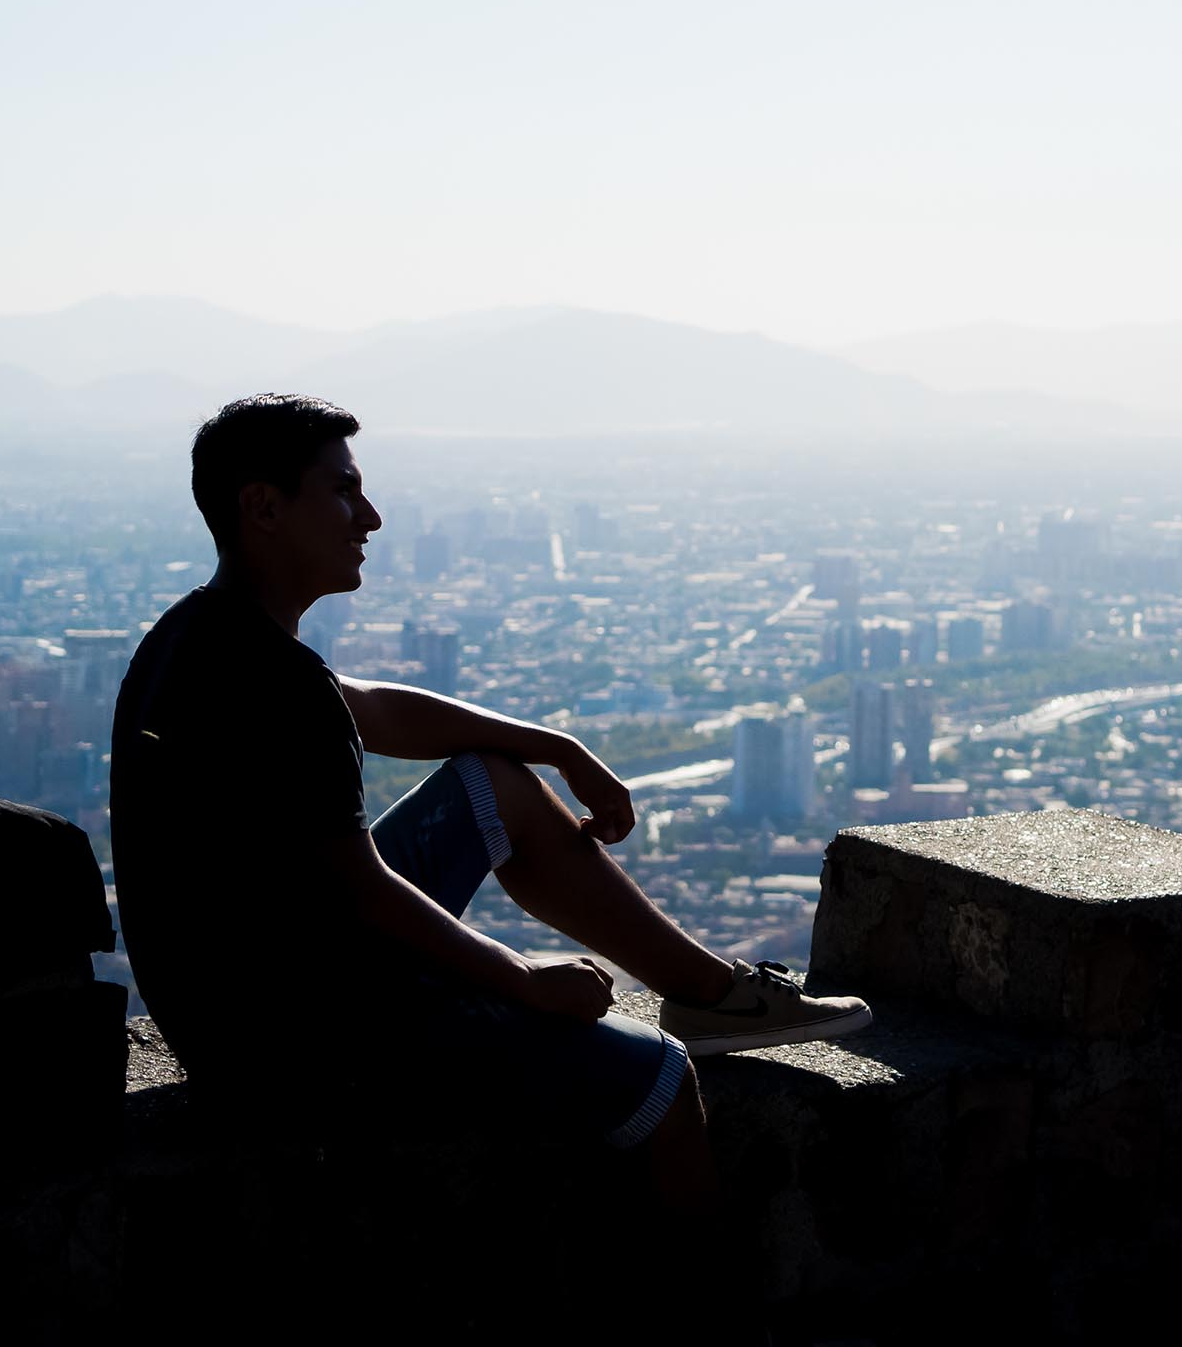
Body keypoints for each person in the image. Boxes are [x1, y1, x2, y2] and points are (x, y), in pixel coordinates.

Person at [111, 394, 871, 1211]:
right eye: (342, 491)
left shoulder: (194, 637)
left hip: (245, 998)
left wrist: (554, 747)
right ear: (262, 507)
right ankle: (699, 1325)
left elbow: (367, 707)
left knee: (494, 783)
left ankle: (712, 994)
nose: (369, 516)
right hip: (295, 1044)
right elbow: (359, 887)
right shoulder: (270, 682)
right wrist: (522, 981)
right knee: (657, 1078)